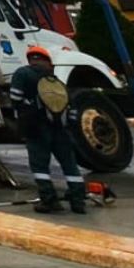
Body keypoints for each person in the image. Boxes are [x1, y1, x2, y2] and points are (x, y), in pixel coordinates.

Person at [8, 46, 85, 214]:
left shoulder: (22, 73)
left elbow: (15, 97)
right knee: (70, 164)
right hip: (60, 128)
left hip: (36, 128)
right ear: (47, 61)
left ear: (30, 59)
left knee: (40, 166)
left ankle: (49, 200)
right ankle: (78, 200)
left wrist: (22, 114)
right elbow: (71, 108)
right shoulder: (55, 80)